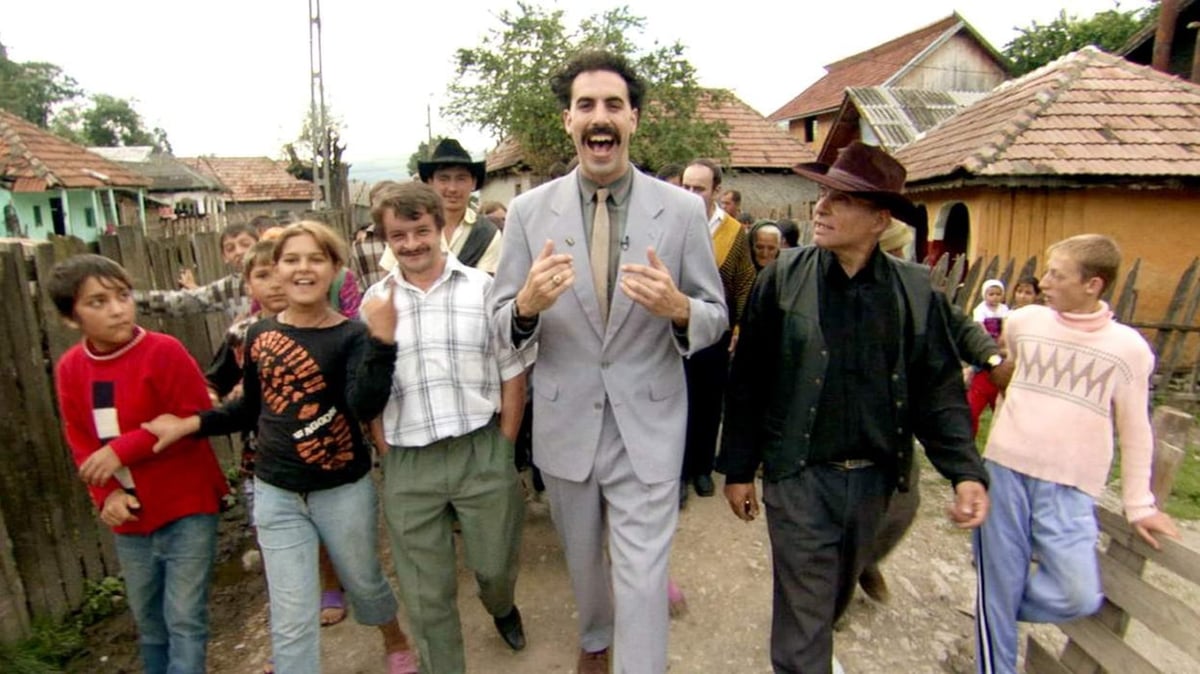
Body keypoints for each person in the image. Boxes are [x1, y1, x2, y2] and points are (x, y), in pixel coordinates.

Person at [488, 49, 727, 674]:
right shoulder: (526, 212)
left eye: (613, 105)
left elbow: (715, 314)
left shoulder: (679, 211)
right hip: (566, 423)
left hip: (648, 423)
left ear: (634, 120)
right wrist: (526, 307)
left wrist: (679, 307)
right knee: (583, 560)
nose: (601, 116)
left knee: (644, 577)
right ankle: (594, 635)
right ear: (569, 121)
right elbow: (498, 324)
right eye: (587, 105)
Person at [717, 141, 990, 674]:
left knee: (830, 600)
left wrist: (964, 471)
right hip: (799, 477)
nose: (821, 207)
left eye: (842, 199)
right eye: (824, 194)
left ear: (878, 220)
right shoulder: (783, 278)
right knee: (802, 624)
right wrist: (738, 467)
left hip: (874, 483)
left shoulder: (914, 291)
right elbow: (749, 378)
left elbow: (937, 389)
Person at [142, 222, 418, 674]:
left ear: (334, 269)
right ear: (276, 269)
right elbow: (251, 408)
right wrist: (190, 424)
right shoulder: (259, 336)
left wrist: (382, 341)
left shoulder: (351, 335)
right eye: (291, 260)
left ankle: (393, 636)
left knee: (364, 582)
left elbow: (364, 404)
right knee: (291, 615)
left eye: (315, 259)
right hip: (276, 492)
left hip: (341, 490)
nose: (302, 268)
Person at [974, 234, 1179, 674]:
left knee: (1076, 593)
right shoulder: (1025, 321)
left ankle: (998, 608)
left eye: (1057, 274)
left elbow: (1135, 429)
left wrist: (1139, 505)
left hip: (1070, 486)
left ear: (1094, 285)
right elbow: (1005, 372)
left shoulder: (1127, 349)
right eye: (1046, 271)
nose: (1044, 282)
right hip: (1005, 471)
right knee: (997, 588)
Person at [367, 182, 533, 673]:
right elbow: (370, 389)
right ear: (386, 239)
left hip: (480, 450)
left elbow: (512, 371)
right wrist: (387, 452)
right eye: (399, 235)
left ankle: (501, 605)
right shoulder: (375, 305)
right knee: (425, 594)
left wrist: (504, 446)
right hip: (409, 462)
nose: (412, 243)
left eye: (422, 230)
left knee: (494, 567)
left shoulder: (484, 290)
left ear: (442, 228)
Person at [49, 254, 229, 674]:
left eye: (123, 296)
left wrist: (122, 450)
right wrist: (105, 492)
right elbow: (80, 438)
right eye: (98, 302)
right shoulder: (72, 368)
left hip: (186, 503)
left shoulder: (163, 352)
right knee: (149, 624)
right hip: (130, 516)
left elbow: (195, 414)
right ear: (71, 318)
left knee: (184, 619)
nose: (117, 309)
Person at [679, 158, 756, 503]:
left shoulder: (734, 232)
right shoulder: (670, 221)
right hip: (675, 328)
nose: (692, 194)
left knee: (708, 401)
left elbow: (743, 284)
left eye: (699, 188)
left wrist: (739, 324)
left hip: (715, 332)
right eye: (687, 186)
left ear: (716, 191)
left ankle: (701, 468)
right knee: (676, 400)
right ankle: (677, 473)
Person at [140, 222, 257, 317]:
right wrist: (133, 299)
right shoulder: (228, 288)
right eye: (230, 249)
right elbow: (179, 301)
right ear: (224, 257)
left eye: (246, 244)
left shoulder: (276, 274)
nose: (239, 252)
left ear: (260, 245)